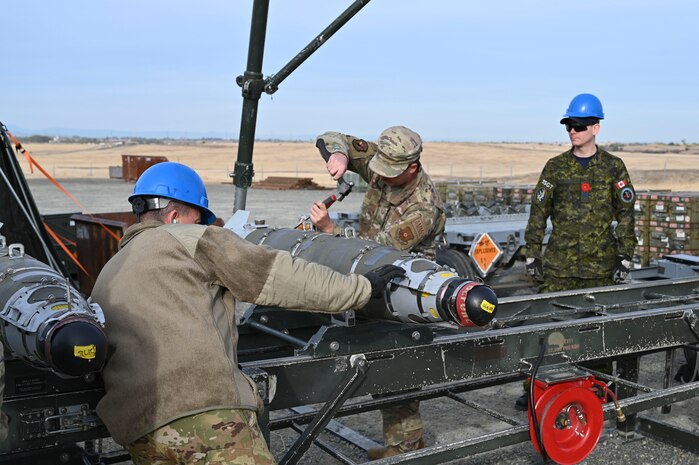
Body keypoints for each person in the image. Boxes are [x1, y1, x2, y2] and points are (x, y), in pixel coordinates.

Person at [91, 162, 404, 465]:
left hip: (140, 431)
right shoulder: (191, 239)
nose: (201, 226)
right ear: (174, 215)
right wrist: (359, 289)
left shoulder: (109, 270)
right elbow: (280, 277)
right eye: (198, 218)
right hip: (203, 415)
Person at [310, 126, 446, 458]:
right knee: (381, 369)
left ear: (412, 167)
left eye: (392, 173)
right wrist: (339, 156)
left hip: (403, 290)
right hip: (370, 280)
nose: (382, 177)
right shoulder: (384, 160)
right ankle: (402, 446)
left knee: (399, 371)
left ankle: (404, 451)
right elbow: (331, 136)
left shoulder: (424, 207)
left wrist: (330, 231)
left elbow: (379, 250)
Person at [517, 93, 637, 409]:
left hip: (599, 267)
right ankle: (535, 387)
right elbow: (538, 211)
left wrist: (625, 255)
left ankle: (597, 388)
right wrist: (532, 253)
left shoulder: (613, 168)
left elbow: (626, 213)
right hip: (559, 266)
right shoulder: (555, 168)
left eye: (580, 126)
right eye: (569, 125)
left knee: (596, 331)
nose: (573, 131)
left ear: (596, 128)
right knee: (544, 330)